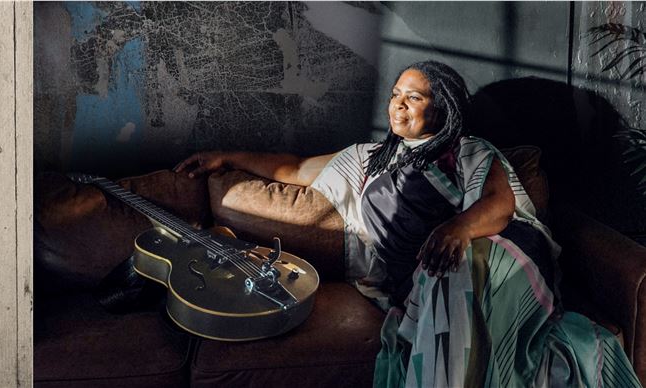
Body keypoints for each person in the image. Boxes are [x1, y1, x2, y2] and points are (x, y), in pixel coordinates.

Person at [175, 60, 639, 387]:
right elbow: (294, 169)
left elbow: (498, 206)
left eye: (412, 97)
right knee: (442, 273)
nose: (398, 105)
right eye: (395, 95)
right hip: (427, 276)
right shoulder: (366, 162)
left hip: (497, 252)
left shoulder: (469, 150)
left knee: (454, 265)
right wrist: (227, 155)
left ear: (440, 110)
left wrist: (456, 229)